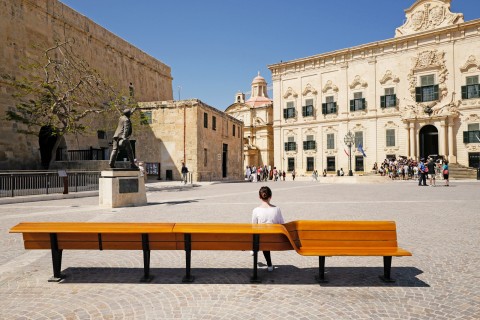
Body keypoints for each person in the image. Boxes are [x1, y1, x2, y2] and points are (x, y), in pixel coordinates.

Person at [251, 186, 285, 272]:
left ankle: (254, 249)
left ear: (259, 197)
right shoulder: (277, 209)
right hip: (275, 240)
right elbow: (282, 224)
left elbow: (253, 226)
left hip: (261, 241)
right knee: (266, 238)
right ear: (271, 197)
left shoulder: (256, 210)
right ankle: (269, 265)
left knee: (262, 238)